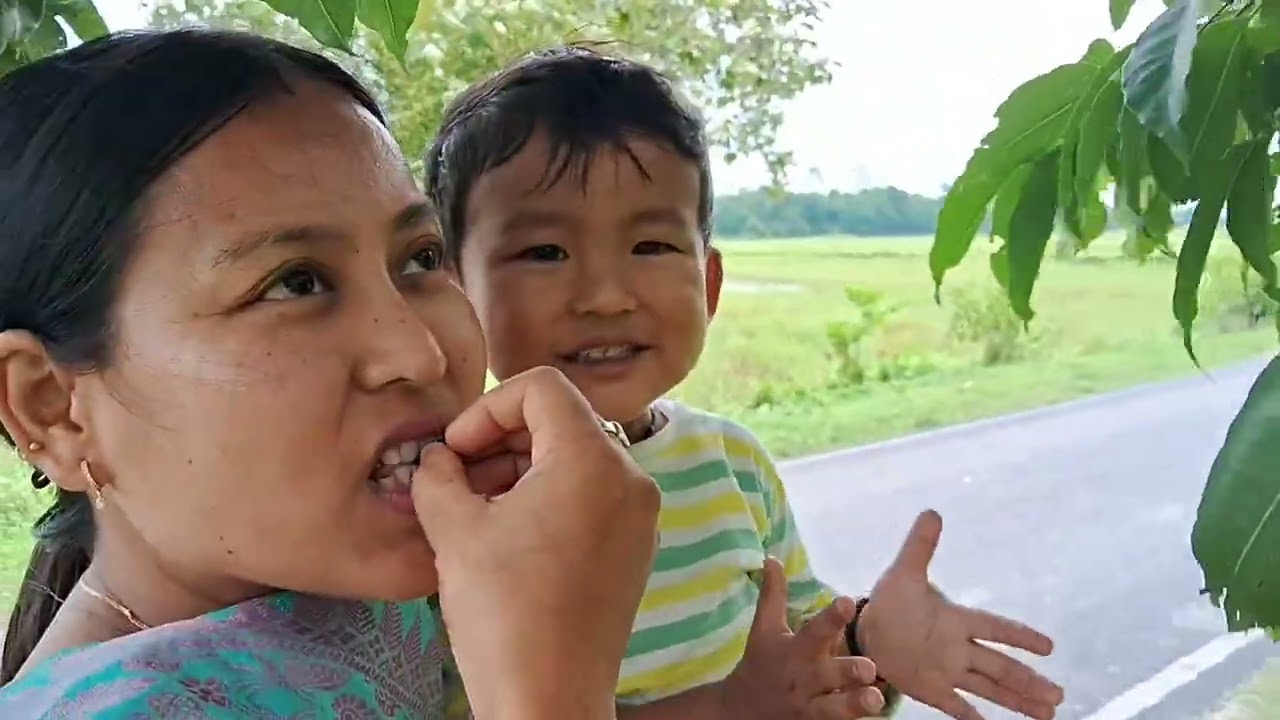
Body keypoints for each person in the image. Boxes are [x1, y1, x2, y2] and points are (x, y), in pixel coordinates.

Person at [0, 28, 663, 719]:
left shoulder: (374, 592)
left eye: (421, 258)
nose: (420, 353)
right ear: (54, 409)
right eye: (296, 283)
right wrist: (551, 689)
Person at [425, 46, 1067, 720]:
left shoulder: (735, 465)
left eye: (650, 246)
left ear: (708, 284)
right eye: (544, 252)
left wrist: (870, 644)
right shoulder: (456, 505)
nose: (605, 296)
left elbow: (804, 670)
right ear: (453, 293)